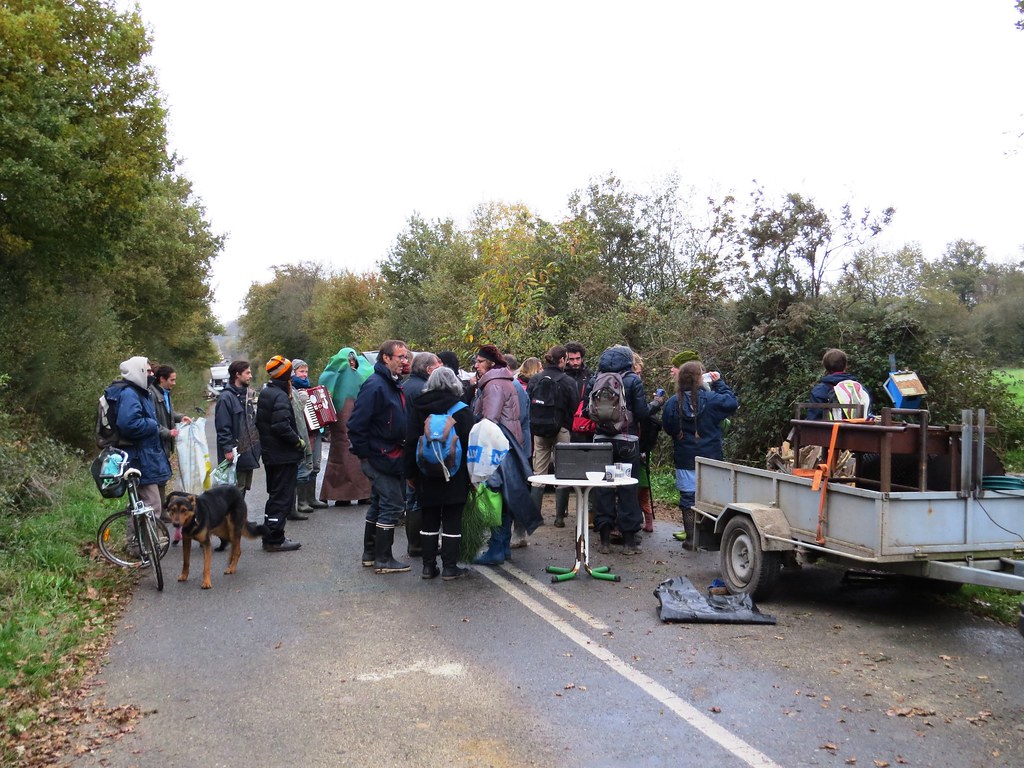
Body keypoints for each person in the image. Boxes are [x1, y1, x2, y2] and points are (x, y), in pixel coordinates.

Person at [404, 366, 476, 580]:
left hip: (426, 472)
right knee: (452, 519)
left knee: (429, 517)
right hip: (456, 474)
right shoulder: (462, 410)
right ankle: (450, 568)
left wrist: (410, 473)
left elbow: (411, 442)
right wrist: (473, 477)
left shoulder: (420, 407)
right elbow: (471, 446)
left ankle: (428, 567)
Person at [348, 339, 411, 574]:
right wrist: (366, 455)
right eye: (400, 357)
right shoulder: (376, 385)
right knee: (393, 504)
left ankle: (370, 555)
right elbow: (356, 424)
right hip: (380, 456)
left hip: (389, 455)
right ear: (386, 358)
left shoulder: (391, 383)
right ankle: (383, 559)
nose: (404, 361)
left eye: (406, 357)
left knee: (379, 502)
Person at [661, 360, 739, 546]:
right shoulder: (712, 400)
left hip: (685, 457)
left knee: (688, 499)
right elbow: (732, 403)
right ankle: (712, 538)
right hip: (711, 458)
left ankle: (691, 538)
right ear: (699, 379)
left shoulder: (672, 403)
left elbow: (668, 428)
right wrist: (719, 383)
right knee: (713, 497)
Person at [582, 344, 650, 556]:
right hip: (627, 442)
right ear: (628, 360)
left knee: (603, 488)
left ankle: (604, 541)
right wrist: (655, 404)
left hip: (601, 442)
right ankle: (629, 543)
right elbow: (642, 413)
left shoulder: (595, 379)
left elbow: (585, 411)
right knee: (627, 488)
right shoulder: (633, 380)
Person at [471, 344, 526, 565]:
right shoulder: (503, 381)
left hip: (497, 449)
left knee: (495, 498)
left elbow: (490, 421)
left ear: (491, 363)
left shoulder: (493, 384)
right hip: (508, 446)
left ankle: (496, 549)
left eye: (480, 361)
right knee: (503, 498)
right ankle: (502, 547)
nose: (476, 365)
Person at [110, 356, 172, 545]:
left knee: (142, 503)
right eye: (148, 371)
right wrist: (152, 424)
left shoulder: (139, 392)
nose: (152, 374)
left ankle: (141, 543)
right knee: (152, 503)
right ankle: (141, 545)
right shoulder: (130, 394)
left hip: (144, 456)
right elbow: (128, 424)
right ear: (139, 372)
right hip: (139, 458)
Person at [254, 355, 304, 552]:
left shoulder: (267, 392)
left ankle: (270, 535)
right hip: (283, 455)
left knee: (275, 495)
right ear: (285, 374)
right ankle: (275, 539)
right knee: (282, 497)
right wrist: (297, 441)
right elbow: (281, 426)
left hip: (271, 454)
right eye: (290, 372)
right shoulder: (280, 396)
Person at [526, 345, 579, 528]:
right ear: (562, 359)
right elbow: (574, 405)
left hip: (539, 430)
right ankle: (559, 518)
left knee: (538, 473)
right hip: (561, 430)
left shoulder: (535, 379)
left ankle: (536, 517)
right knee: (562, 471)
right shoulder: (568, 381)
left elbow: (529, 402)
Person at [318, 348, 373, 506]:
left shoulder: (362, 372)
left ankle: (359, 493)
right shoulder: (334, 373)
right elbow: (324, 391)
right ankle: (343, 495)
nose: (351, 363)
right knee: (343, 452)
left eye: (353, 360)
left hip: (355, 417)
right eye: (348, 360)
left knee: (353, 453)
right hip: (341, 419)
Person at [148, 364, 192, 502]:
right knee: (158, 479)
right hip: (156, 444)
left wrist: (180, 417)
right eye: (172, 380)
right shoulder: (152, 395)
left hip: (163, 444)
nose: (174, 383)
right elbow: (151, 420)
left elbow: (168, 413)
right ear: (162, 379)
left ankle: (161, 508)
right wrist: (167, 432)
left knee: (162, 478)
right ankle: (159, 509)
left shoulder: (165, 393)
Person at [290, 359, 327, 512]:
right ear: (293, 373)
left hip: (315, 432)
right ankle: (302, 502)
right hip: (301, 433)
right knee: (304, 466)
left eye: (306, 371)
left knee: (316, 465)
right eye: (301, 371)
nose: (304, 375)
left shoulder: (311, 389)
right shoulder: (291, 390)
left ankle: (312, 498)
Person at [807, 348, 871, 421]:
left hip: (830, 428)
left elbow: (813, 419)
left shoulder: (819, 391)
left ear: (826, 367)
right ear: (845, 366)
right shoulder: (860, 389)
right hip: (858, 428)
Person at [564, 340, 593, 443]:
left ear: (582, 358)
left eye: (578, 358)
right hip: (566, 424)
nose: (575, 362)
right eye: (571, 359)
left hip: (585, 424)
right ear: (566, 359)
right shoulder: (562, 376)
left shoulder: (589, 375)